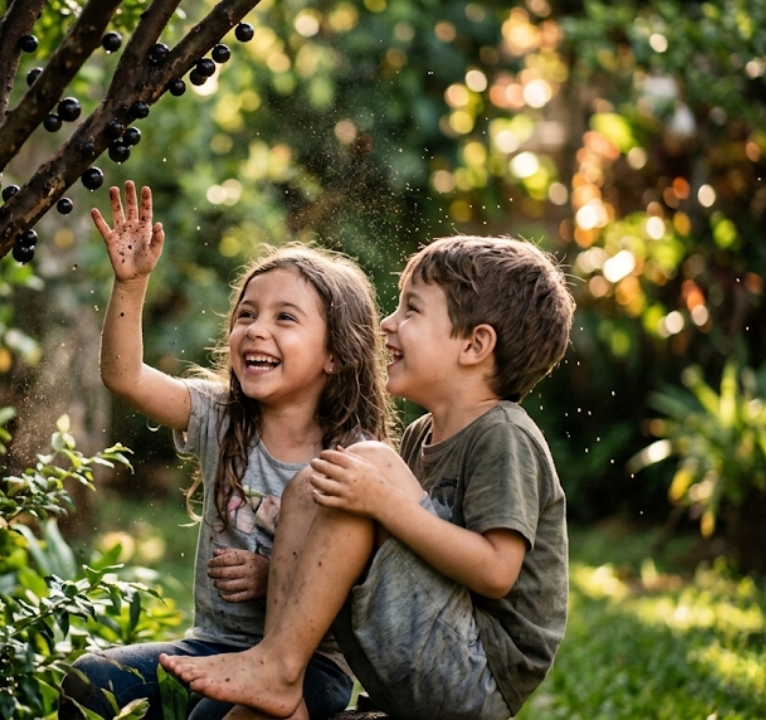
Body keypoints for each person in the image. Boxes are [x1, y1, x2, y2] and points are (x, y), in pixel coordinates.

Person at [160, 235, 576, 720]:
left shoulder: (504, 434)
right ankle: (280, 670)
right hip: (418, 654)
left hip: (478, 676)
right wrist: (282, 569)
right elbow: (360, 547)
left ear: (475, 344)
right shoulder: (421, 436)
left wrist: (385, 501)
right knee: (321, 482)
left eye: (411, 310)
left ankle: (279, 667)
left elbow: (497, 572)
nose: (387, 324)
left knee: (364, 466)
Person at [59, 181, 393, 720]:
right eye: (246, 315)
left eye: (285, 318)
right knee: (90, 681)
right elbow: (124, 377)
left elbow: (368, 593)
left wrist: (272, 579)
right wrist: (131, 284)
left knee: (211, 717)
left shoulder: (355, 459)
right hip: (209, 648)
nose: (257, 330)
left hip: (308, 668)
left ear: (336, 353)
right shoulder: (220, 416)